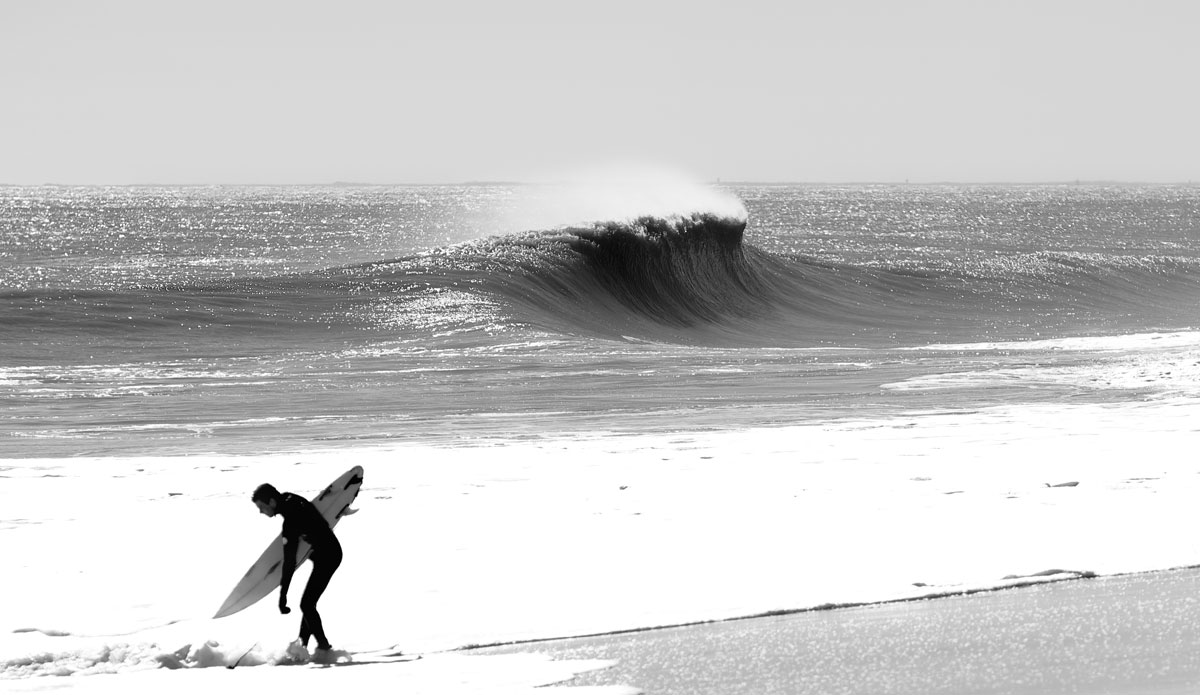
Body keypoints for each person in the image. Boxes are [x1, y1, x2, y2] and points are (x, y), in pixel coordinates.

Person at [252, 482, 343, 653]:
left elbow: (289, 562)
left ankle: (324, 648)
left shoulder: (290, 522)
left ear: (272, 502)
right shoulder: (291, 498)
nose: (261, 512)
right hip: (325, 551)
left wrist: (283, 595)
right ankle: (302, 646)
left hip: (328, 556)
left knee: (307, 604)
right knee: (308, 604)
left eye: (262, 507)